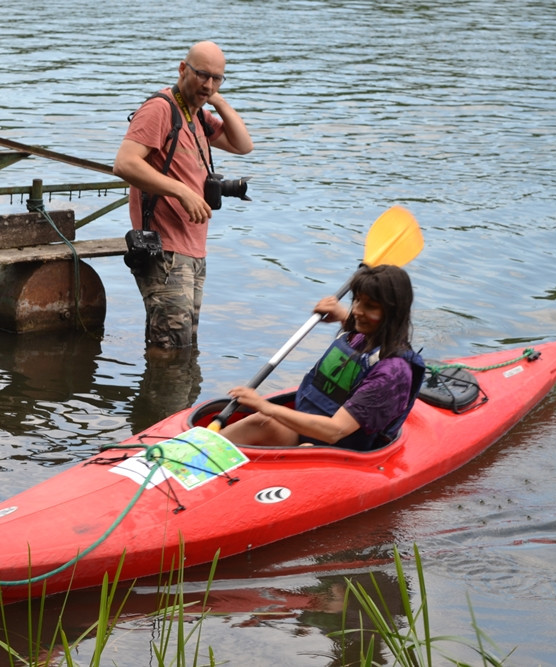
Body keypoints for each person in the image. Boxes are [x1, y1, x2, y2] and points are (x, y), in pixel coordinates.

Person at [113, 41, 254, 350]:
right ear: (182, 69)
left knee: (184, 346)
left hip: (193, 251)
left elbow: (243, 145)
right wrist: (181, 191)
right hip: (164, 252)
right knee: (171, 349)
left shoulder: (197, 116)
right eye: (202, 75)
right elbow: (124, 163)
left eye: (217, 78)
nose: (208, 85)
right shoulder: (161, 109)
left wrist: (217, 101)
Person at [220, 265, 425, 451]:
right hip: (308, 434)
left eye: (369, 306)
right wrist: (342, 316)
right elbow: (361, 338)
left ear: (392, 313)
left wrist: (265, 406)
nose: (357, 310)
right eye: (356, 300)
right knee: (260, 422)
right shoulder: (362, 336)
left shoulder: (392, 374)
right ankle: (203, 452)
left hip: (338, 453)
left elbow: (335, 431)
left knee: (292, 437)